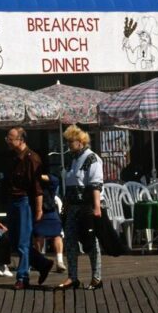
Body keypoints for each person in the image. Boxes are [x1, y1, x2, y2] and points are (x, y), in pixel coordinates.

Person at [0, 127, 54, 290]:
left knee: (23, 241)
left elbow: (37, 187)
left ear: (21, 140)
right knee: (14, 240)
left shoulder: (32, 158)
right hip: (12, 201)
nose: (7, 141)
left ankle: (22, 277)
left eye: (10, 138)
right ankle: (42, 263)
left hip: (24, 202)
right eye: (7, 138)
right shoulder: (13, 157)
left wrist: (39, 210)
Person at [57, 124, 104, 291]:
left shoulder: (92, 158)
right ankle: (73, 277)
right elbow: (70, 184)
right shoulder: (73, 159)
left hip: (87, 206)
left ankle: (96, 277)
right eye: (67, 141)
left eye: (71, 141)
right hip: (73, 207)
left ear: (80, 141)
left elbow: (96, 183)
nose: (68, 144)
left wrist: (96, 207)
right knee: (70, 240)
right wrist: (66, 204)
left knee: (91, 242)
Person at [33, 174, 66, 273]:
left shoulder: (50, 185)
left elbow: (55, 180)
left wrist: (39, 176)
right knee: (38, 235)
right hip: (36, 212)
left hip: (50, 210)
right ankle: (39, 260)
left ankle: (59, 261)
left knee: (57, 235)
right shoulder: (31, 185)